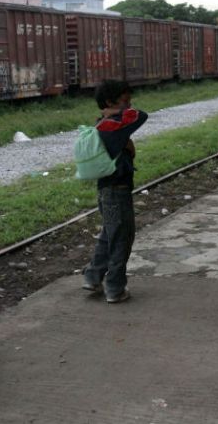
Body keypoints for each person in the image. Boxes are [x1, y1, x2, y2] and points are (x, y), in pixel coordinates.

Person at [81, 80, 148, 303]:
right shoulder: (114, 124)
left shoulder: (101, 124)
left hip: (105, 192)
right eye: (125, 101)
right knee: (122, 239)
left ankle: (92, 277)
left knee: (110, 235)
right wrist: (118, 112)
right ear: (110, 102)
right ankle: (115, 288)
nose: (129, 105)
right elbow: (141, 115)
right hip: (117, 192)